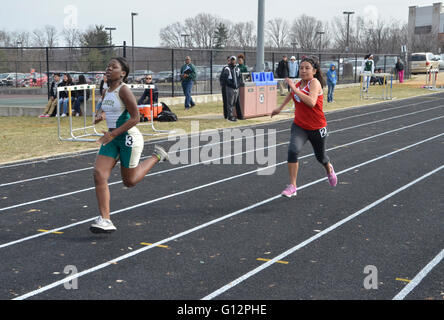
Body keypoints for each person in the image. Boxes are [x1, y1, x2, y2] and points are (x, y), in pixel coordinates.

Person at [90, 57, 169, 233]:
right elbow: (106, 109)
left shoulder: (124, 90)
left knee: (129, 181)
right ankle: (105, 219)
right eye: (107, 66)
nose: (108, 69)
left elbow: (136, 118)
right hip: (112, 138)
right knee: (98, 173)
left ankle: (157, 156)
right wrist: (100, 116)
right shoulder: (105, 90)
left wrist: (113, 133)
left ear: (123, 73)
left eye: (113, 67)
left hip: (128, 138)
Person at [271, 56, 338, 198]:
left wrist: (294, 88)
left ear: (314, 71)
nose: (303, 70)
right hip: (300, 126)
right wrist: (280, 108)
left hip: (317, 128)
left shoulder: (315, 83)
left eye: (307, 68)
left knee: (321, 158)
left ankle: (329, 168)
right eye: (301, 68)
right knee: (292, 150)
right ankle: (293, 186)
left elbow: (311, 102)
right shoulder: (299, 83)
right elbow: (291, 94)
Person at [220, 56, 243, 122]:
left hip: (236, 88)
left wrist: (238, 85)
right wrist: (231, 84)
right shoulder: (227, 68)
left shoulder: (237, 68)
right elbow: (225, 78)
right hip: (230, 88)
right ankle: (229, 116)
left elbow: (239, 78)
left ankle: (232, 115)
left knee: (234, 102)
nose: (232, 61)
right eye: (231, 60)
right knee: (229, 103)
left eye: (234, 60)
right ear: (229, 60)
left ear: (235, 61)